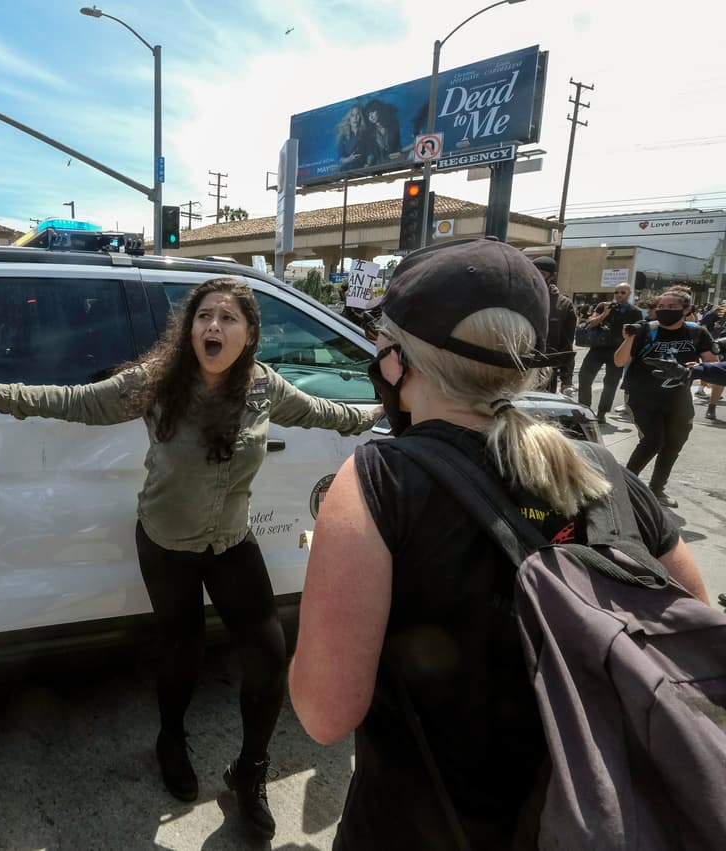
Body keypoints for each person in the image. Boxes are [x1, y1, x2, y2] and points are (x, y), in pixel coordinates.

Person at [0, 277, 378, 839]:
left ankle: (249, 771)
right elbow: (73, 402)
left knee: (269, 657)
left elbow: (319, 412)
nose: (214, 326)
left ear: (249, 334)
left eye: (229, 318)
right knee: (181, 654)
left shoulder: (262, 387)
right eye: (204, 316)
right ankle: (171, 738)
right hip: (166, 545)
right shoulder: (157, 383)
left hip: (231, 541)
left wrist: (379, 413)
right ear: (189, 329)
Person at [287, 238, 711, 849]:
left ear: (397, 360)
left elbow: (323, 715)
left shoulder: (378, 479)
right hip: (603, 820)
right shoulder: (601, 470)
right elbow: (687, 643)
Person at [614, 289, 719, 506]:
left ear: (686, 310)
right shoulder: (644, 330)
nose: (665, 310)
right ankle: (624, 486)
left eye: (672, 307)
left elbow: (712, 364)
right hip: (642, 397)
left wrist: (696, 368)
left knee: (673, 443)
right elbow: (619, 361)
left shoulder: (697, 333)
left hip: (678, 398)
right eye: (661, 306)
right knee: (653, 440)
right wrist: (629, 339)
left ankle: (657, 489)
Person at [576, 282, 641, 424]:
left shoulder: (635, 311)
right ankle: (585, 408)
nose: (619, 295)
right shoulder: (603, 306)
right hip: (598, 348)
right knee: (585, 377)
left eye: (623, 292)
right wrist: (605, 314)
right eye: (617, 292)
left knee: (611, 383)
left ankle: (602, 412)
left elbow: (637, 334)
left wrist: (631, 352)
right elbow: (590, 323)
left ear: (629, 294)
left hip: (618, 351)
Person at [532, 256, 576, 395]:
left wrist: (566, 380)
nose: (537, 277)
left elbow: (566, 345)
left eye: (542, 274)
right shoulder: (520, 297)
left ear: (552, 276)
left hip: (547, 370)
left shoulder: (563, 305)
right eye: (534, 272)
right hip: (520, 368)